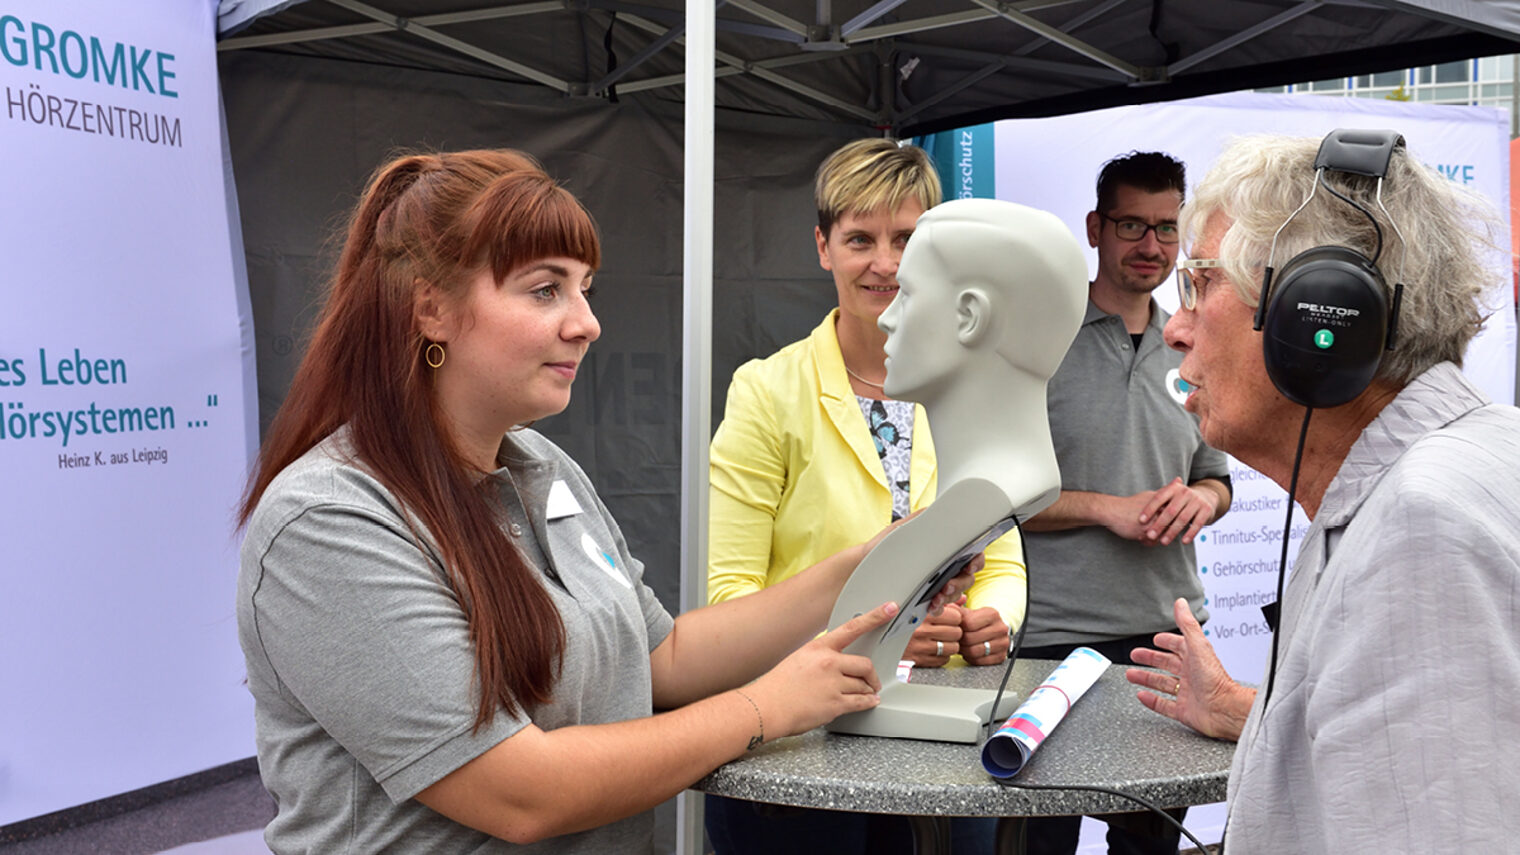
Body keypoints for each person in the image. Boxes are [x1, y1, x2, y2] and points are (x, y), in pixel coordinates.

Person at [233, 149, 975, 854]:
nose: (585, 321)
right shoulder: (329, 521)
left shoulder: (541, 468)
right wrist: (766, 707)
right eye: (545, 288)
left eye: (585, 287)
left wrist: (866, 566)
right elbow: (520, 791)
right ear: (431, 309)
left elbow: (663, 657)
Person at [1123, 132, 1520, 852]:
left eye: (1199, 284)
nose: (1176, 329)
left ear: (1320, 315)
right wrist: (1251, 711)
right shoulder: (1455, 464)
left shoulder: (1420, 530)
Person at [705, 139, 1026, 853]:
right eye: (860, 238)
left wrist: (988, 621)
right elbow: (729, 597)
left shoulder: (974, 389)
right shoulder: (767, 391)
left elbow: (1002, 559)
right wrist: (875, 637)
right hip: (801, 750)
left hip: (940, 747)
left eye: (907, 239)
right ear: (824, 247)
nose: (886, 262)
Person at [1017, 151, 1232, 855]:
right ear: (1094, 228)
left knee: (1148, 847)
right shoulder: (1034, 342)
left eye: (1166, 229)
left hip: (1164, 639)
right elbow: (998, 498)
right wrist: (1106, 508)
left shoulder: (1192, 344)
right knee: (1037, 845)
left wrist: (1202, 498)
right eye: (1131, 225)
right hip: (1048, 638)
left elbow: (1216, 476)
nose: (1151, 246)